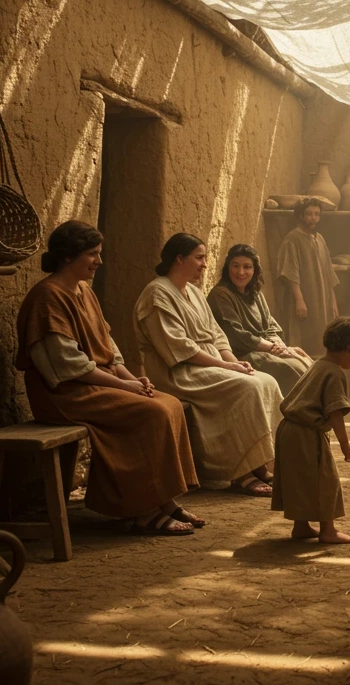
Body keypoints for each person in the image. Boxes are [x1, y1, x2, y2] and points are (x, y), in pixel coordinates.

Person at [16, 221, 201, 536]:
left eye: (99, 253)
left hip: (96, 384)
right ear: (66, 257)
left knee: (168, 403)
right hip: (64, 394)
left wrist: (135, 380)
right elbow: (68, 367)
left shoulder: (85, 292)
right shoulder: (47, 297)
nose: (98, 262)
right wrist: (125, 387)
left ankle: (164, 499)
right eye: (92, 254)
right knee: (151, 412)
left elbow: (108, 349)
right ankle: (143, 511)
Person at [134, 233, 283, 497]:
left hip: (208, 363)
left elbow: (216, 334)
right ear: (179, 259)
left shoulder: (193, 291)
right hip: (179, 371)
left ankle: (259, 462)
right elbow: (180, 348)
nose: (205, 264)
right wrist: (227, 368)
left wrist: (234, 362)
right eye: (199, 258)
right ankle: (240, 472)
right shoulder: (157, 294)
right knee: (245, 388)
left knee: (265, 381)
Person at [271, 317, 350, 544]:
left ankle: (301, 526)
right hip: (305, 433)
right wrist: (345, 445)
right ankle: (328, 530)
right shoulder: (334, 373)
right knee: (326, 480)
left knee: (299, 480)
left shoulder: (317, 364)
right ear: (347, 349)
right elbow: (335, 413)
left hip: (288, 430)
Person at [207, 243, 313, 396]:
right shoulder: (221, 295)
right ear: (227, 268)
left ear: (255, 269)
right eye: (235, 266)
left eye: (247, 267)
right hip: (242, 353)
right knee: (292, 369)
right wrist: (271, 348)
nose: (241, 272)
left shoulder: (255, 293)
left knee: (304, 361)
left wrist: (279, 345)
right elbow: (235, 334)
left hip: (266, 348)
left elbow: (270, 325)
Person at [275, 197, 339, 356]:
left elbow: (327, 272)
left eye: (317, 214)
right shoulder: (293, 238)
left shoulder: (320, 239)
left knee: (321, 334)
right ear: (301, 216)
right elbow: (291, 271)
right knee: (302, 335)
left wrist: (332, 301)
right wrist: (299, 300)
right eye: (309, 214)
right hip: (303, 295)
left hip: (321, 297)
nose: (313, 218)